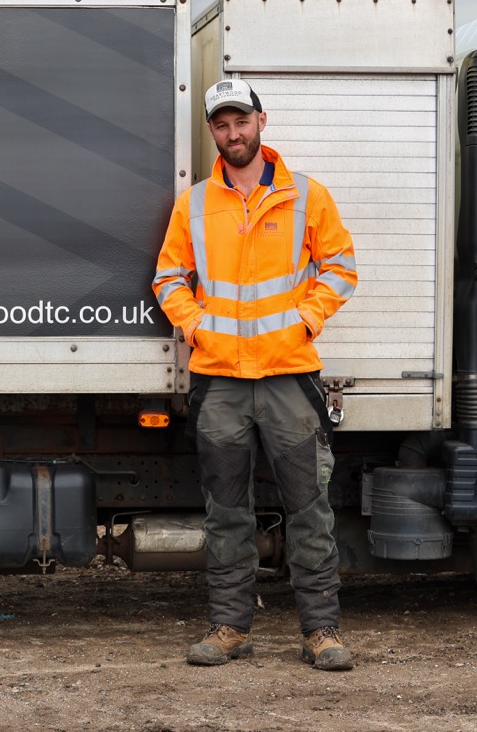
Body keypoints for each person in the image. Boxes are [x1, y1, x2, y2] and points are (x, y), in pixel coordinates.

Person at [152, 79, 358, 672]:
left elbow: (341, 268)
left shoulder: (306, 196)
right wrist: (198, 330)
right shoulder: (194, 204)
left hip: (288, 376)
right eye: (221, 124)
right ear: (212, 132)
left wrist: (305, 321)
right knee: (226, 513)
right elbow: (168, 278)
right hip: (220, 381)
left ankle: (321, 632)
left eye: (241, 121)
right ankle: (230, 629)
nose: (233, 133)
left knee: (310, 510)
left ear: (261, 122)